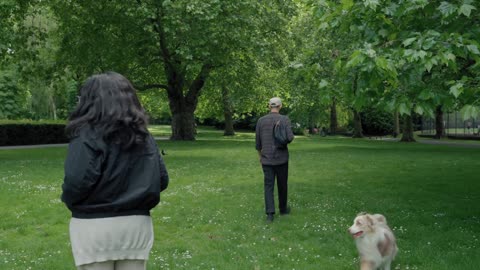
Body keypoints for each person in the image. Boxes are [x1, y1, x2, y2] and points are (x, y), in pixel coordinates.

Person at [61, 72, 169, 270]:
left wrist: (71, 200)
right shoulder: (143, 137)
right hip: (136, 225)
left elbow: (77, 182)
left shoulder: (86, 135)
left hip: (94, 227)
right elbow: (161, 179)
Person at [255, 97, 294, 222]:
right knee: (282, 185)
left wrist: (260, 157)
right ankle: (283, 209)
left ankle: (270, 214)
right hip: (282, 158)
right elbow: (290, 137)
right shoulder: (284, 119)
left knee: (268, 186)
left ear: (269, 106)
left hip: (266, 158)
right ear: (280, 106)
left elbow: (258, 142)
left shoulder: (261, 121)